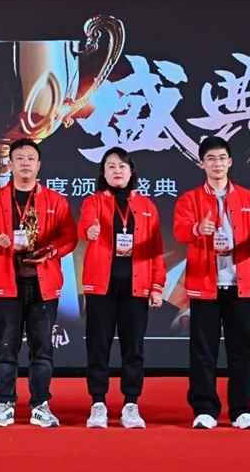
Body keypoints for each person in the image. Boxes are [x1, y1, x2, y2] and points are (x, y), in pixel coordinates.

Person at [0, 139, 78, 428]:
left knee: (42, 348)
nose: (25, 163)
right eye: (19, 158)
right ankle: (4, 404)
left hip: (43, 284)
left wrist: (52, 250)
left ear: (39, 165)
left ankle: (40, 404)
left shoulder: (55, 201)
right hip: (7, 284)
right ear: (10, 164)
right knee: (6, 347)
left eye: (30, 158)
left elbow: (69, 236)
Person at [173, 136, 250, 430]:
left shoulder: (249, 199)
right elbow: (179, 231)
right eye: (211, 159)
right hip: (204, 285)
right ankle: (204, 409)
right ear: (201, 164)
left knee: (242, 349)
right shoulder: (190, 199)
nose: (217, 164)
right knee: (203, 350)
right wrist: (197, 228)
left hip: (241, 285)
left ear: (230, 162)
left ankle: (242, 410)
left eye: (221, 158)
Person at [79, 147, 165, 429]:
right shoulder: (93, 202)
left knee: (133, 347)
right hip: (101, 287)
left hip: (136, 286)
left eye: (122, 166)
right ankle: (98, 403)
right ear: (103, 173)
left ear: (131, 172)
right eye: (111, 166)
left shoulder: (147, 206)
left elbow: (156, 249)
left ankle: (131, 404)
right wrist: (89, 231)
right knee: (98, 345)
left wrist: (156, 285)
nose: (117, 170)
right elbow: (84, 226)